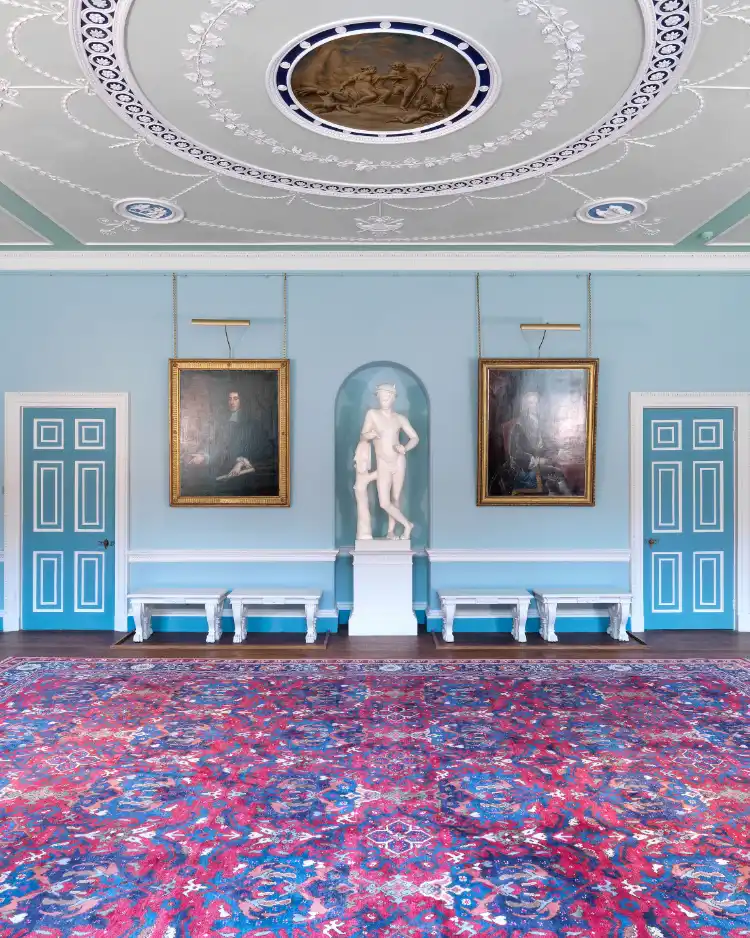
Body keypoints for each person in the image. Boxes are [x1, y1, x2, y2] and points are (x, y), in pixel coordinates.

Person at [359, 383, 419, 539]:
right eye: (382, 395)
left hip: (398, 460)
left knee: (395, 498)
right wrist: (369, 435)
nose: (384, 398)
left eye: (388, 395)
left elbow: (415, 438)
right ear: (378, 397)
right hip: (383, 462)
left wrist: (404, 448)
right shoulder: (372, 414)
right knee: (384, 502)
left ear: (393, 398)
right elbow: (363, 434)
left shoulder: (399, 418)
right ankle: (407, 524)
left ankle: (391, 531)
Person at [188, 389, 270, 482]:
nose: (232, 402)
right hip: (222, 472)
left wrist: (241, 463)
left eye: (235, 399)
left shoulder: (252, 425)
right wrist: (203, 456)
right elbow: (217, 447)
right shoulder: (222, 423)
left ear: (241, 401)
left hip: (242, 475)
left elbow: (260, 451)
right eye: (230, 399)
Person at [501, 390, 572, 496]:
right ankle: (570, 501)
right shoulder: (519, 425)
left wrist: (558, 449)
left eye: (536, 402)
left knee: (559, 471)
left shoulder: (539, 422)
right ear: (525, 405)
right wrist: (533, 459)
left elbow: (545, 442)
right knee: (558, 474)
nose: (534, 405)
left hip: (540, 459)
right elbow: (514, 451)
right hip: (525, 464)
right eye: (531, 403)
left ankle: (566, 500)